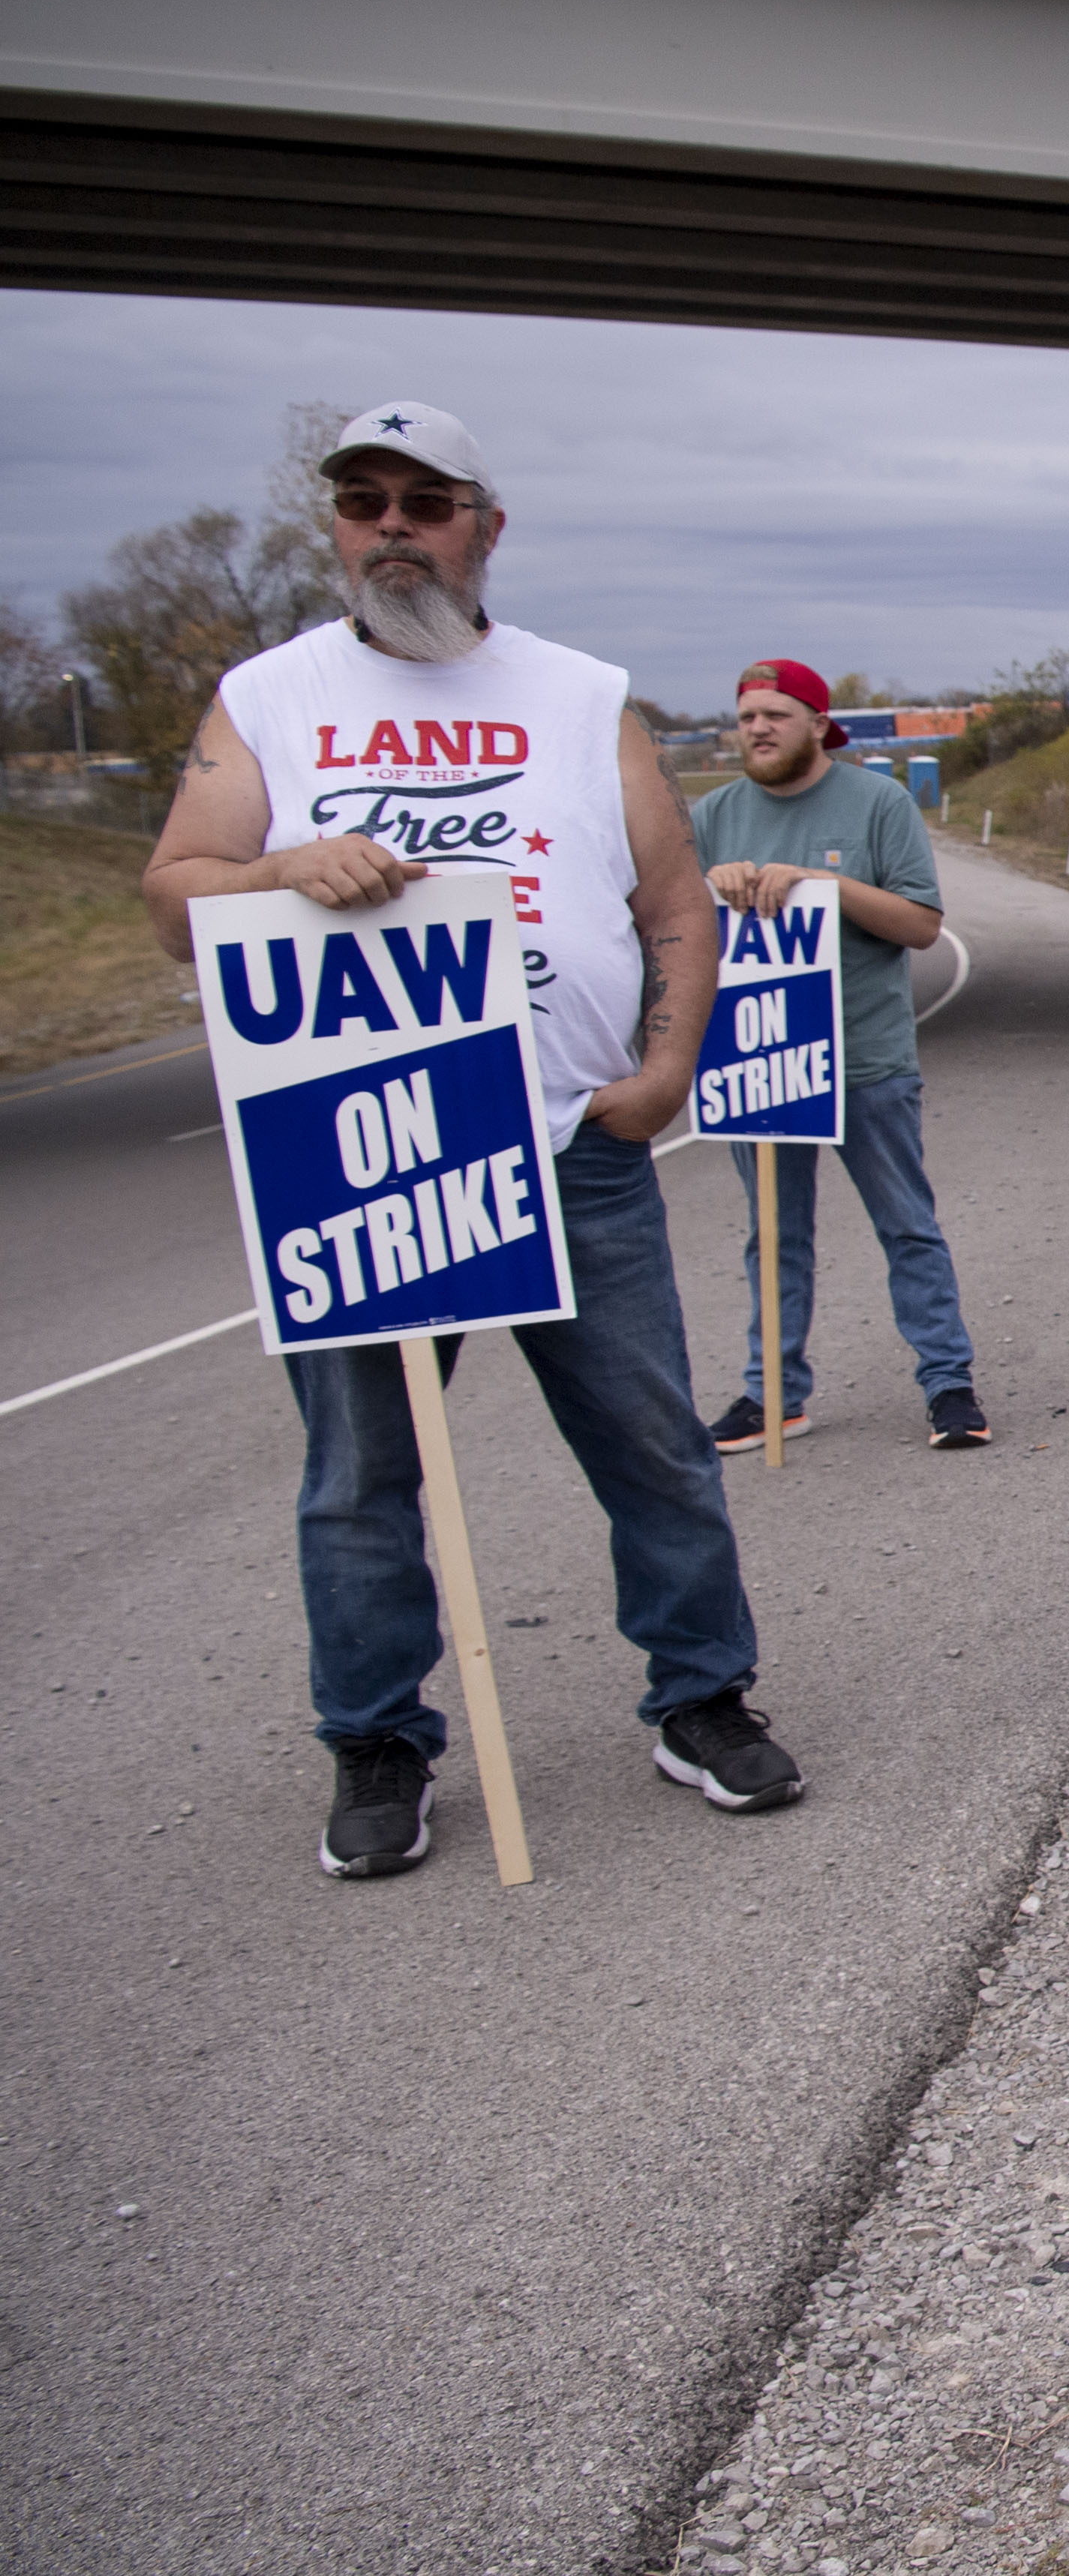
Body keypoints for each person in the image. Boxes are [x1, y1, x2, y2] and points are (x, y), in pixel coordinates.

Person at [140, 400, 801, 1876]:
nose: (392, 526)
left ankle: (702, 1697)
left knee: (649, 1439)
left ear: (483, 527)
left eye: (424, 501)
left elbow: (675, 903)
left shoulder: (580, 696)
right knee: (362, 1467)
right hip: (362, 1145)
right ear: (335, 528)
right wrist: (278, 865)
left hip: (571, 1135)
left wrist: (666, 1070)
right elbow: (177, 887)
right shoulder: (269, 698)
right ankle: (377, 1740)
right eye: (362, 501)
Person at [690, 660, 991, 1453]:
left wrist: (823, 886)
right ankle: (774, 1394)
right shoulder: (713, 815)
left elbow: (922, 925)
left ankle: (948, 1383)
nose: (758, 728)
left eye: (777, 714)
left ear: (820, 724)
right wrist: (706, 890)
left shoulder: (878, 802)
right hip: (761, 1061)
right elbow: (668, 931)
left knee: (906, 1224)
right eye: (747, 714)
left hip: (864, 1056)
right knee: (774, 1233)